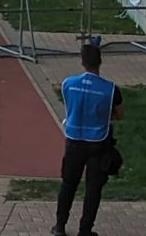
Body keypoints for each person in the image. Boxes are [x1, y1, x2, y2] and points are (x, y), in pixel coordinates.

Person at [51, 43, 123, 236]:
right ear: (100, 62)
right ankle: (85, 230)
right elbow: (119, 114)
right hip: (98, 142)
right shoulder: (110, 89)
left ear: (82, 62)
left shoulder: (68, 84)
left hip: (74, 140)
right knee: (93, 188)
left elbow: (70, 107)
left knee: (68, 184)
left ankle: (59, 226)